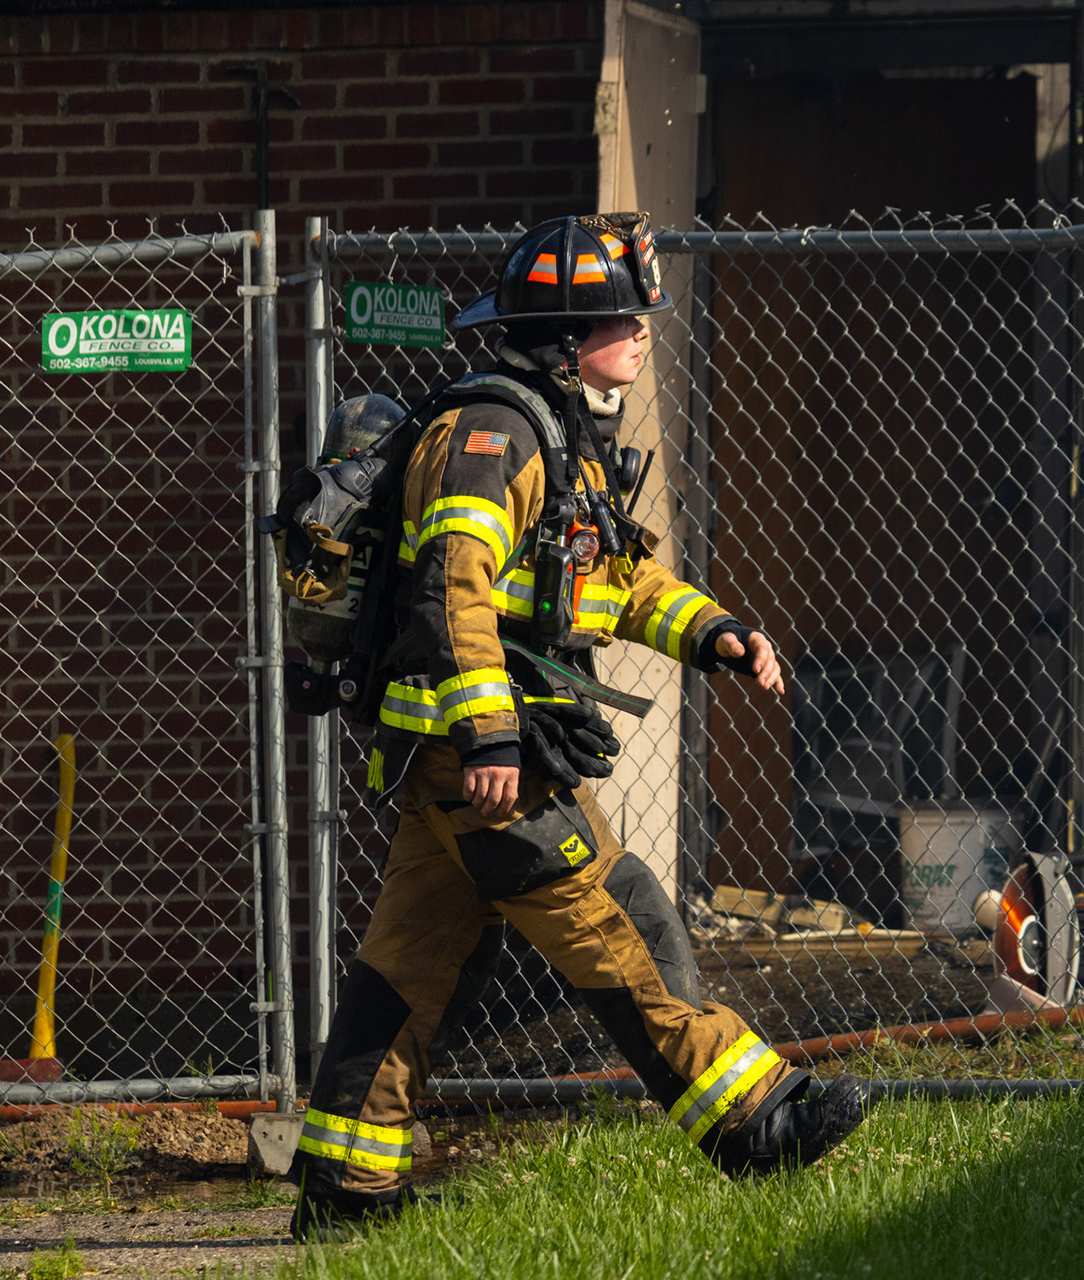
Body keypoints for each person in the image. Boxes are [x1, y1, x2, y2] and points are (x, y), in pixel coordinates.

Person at [289, 214, 867, 1241]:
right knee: (624, 934)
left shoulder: (565, 434)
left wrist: (718, 633)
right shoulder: (495, 438)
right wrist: (492, 739)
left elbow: (622, 577)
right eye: (620, 318)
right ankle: (756, 1121)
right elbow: (450, 591)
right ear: (566, 338)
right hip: (486, 771)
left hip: (452, 776)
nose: (643, 331)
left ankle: (346, 1190)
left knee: (403, 973)